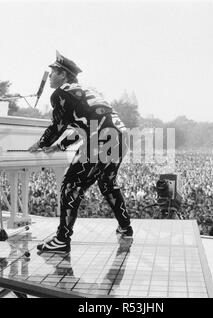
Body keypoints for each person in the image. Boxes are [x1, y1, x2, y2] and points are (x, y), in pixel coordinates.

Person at [30, 51, 132, 253]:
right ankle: (125, 227)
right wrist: (59, 146)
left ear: (64, 75)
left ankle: (62, 239)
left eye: (53, 72)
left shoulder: (61, 93)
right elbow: (85, 125)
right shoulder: (87, 90)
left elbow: (58, 126)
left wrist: (41, 143)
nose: (50, 76)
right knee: (107, 183)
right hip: (120, 137)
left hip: (102, 140)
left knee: (70, 186)